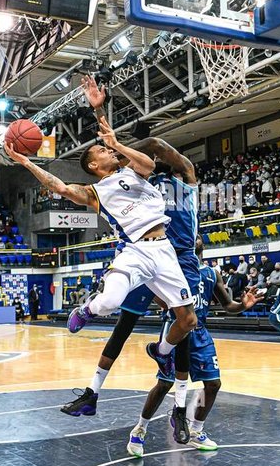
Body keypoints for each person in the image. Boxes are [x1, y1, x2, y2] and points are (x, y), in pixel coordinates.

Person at [4, 78, 198, 417]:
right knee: (108, 303)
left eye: (109, 149)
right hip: (135, 252)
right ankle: (86, 311)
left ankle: (163, 350)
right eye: (102, 152)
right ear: (94, 166)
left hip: (163, 249)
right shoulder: (95, 193)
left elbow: (147, 162)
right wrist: (25, 162)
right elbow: (59, 185)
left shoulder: (134, 170)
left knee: (188, 321)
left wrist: (99, 111)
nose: (108, 151)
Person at [56, 133, 202, 444]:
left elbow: (157, 146)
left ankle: (178, 407)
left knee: (185, 329)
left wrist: (113, 140)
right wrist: (108, 133)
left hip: (175, 258)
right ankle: (92, 391)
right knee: (122, 327)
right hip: (138, 251)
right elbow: (146, 151)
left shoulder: (185, 179)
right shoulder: (131, 177)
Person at [127, 238, 261, 457]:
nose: (195, 236)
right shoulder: (173, 269)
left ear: (202, 245)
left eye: (198, 234)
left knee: (213, 384)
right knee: (164, 384)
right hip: (176, 329)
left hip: (200, 332)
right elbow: (156, 296)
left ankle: (197, 431)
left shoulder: (211, 273)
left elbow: (228, 305)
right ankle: (140, 429)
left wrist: (243, 305)